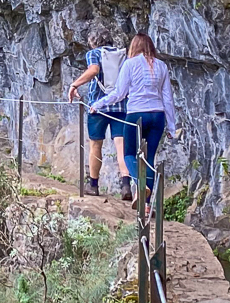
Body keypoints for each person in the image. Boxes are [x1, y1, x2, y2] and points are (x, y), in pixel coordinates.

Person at [89, 33, 178, 211]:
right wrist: (172, 127)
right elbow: (168, 98)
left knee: (129, 153)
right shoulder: (161, 66)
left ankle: (139, 182)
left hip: (136, 114)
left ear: (134, 47)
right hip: (157, 115)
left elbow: (119, 93)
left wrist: (98, 104)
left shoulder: (129, 64)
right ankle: (146, 205)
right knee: (150, 158)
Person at [68, 25, 132, 200]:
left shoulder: (94, 54)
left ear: (93, 41)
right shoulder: (123, 55)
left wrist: (74, 85)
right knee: (122, 146)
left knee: (96, 145)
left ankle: (93, 185)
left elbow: (94, 70)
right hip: (121, 106)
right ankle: (126, 186)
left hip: (98, 106)